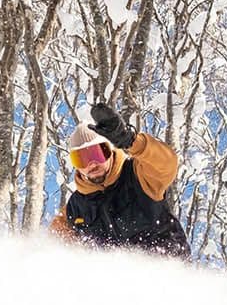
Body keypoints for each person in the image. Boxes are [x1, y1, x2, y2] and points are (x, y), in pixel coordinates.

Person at [49, 103, 190, 258]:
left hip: (167, 268)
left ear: (110, 151)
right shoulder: (75, 208)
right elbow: (55, 246)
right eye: (81, 159)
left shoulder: (139, 175)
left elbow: (166, 163)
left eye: (98, 153)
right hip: (118, 279)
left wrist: (131, 141)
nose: (91, 164)